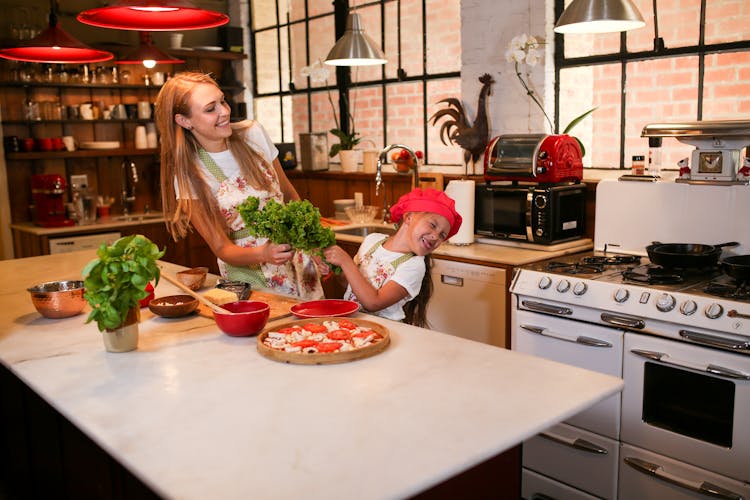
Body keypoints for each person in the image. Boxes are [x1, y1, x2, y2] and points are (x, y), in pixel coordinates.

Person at [154, 71, 323, 299]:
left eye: (222, 101)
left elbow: (289, 194)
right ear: (184, 121)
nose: (224, 112)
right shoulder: (190, 174)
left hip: (297, 262)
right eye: (210, 108)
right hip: (249, 276)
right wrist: (264, 253)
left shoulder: (253, 134)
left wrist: (315, 246)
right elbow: (222, 248)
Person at [323, 188, 462, 327]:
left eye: (442, 235)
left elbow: (374, 303)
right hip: (354, 323)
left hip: (385, 330)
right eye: (432, 225)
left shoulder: (414, 265)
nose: (435, 236)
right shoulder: (372, 241)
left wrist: (346, 262)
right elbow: (350, 285)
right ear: (409, 217)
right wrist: (336, 269)